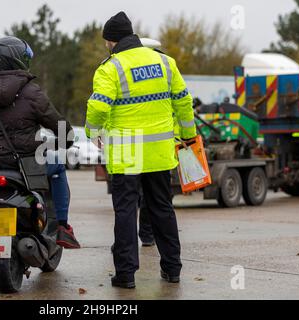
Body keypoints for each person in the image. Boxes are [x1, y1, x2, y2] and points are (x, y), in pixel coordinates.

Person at [0, 36, 80, 284]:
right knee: (59, 167)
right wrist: (66, 140)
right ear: (17, 59)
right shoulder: (31, 92)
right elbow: (59, 125)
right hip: (28, 165)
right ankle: (62, 226)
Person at [85, 12, 196, 289]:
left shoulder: (111, 68)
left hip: (127, 153)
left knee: (125, 211)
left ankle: (126, 275)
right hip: (159, 152)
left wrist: (92, 132)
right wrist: (188, 135)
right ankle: (172, 269)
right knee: (162, 208)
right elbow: (184, 101)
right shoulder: (165, 62)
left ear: (111, 41)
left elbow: (98, 107)